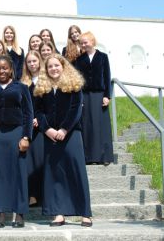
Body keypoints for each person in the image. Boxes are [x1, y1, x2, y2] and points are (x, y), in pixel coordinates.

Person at [33, 54, 92, 227]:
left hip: (71, 134)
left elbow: (75, 110)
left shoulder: (74, 86)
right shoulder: (42, 88)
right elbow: (38, 112)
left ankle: (85, 213)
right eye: (50, 66)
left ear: (63, 66)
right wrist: (47, 129)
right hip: (50, 136)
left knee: (76, 172)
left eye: (56, 66)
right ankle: (58, 213)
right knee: (55, 175)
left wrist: (64, 129)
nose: (53, 69)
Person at [0, 55, 33, 228]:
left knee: (18, 173)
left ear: (11, 69)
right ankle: (0, 214)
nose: (1, 71)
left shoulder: (21, 87)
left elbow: (28, 113)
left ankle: (19, 214)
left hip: (16, 134)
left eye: (5, 68)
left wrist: (26, 136)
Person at [75, 31, 113, 165]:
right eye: (81, 43)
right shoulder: (79, 60)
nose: (84, 45)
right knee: (87, 125)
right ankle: (89, 157)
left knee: (101, 125)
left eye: (86, 42)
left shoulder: (103, 57)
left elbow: (107, 77)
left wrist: (107, 96)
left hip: (99, 95)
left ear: (92, 41)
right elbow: (78, 81)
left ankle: (104, 156)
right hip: (85, 95)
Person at [20, 50, 45, 206]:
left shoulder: (46, 80)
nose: (32, 64)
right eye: (29, 62)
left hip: (44, 127)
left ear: (39, 62)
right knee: (30, 162)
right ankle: (32, 195)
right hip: (29, 128)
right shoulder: (23, 83)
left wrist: (39, 119)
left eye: (34, 61)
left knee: (42, 161)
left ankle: (44, 194)